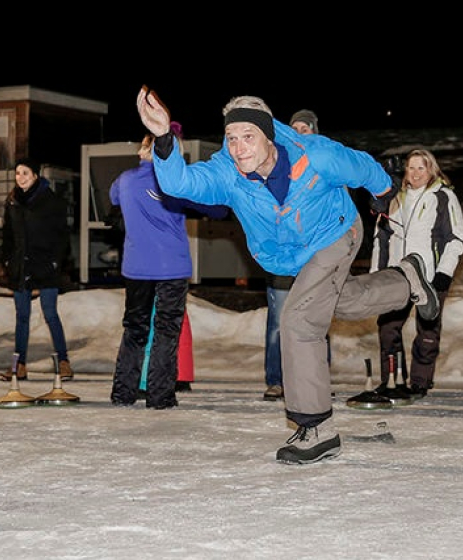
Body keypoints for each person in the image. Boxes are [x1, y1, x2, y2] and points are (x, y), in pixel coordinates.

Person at [137, 88, 438, 464]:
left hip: (337, 233)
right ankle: (407, 281)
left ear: (269, 135)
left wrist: (383, 192)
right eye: (232, 139)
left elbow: (361, 166)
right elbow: (179, 184)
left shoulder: (315, 154)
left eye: (248, 137)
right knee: (340, 301)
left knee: (298, 320)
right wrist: (165, 138)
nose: (239, 148)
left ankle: (317, 426)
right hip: (293, 256)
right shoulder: (227, 172)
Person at [108, 130, 228, 409]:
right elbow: (217, 210)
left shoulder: (123, 181)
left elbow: (114, 198)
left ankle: (123, 393)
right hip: (171, 266)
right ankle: (160, 396)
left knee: (134, 329)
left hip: (136, 267)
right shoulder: (175, 182)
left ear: (143, 151)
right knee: (166, 330)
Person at [371, 149, 463, 399]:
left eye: (421, 168)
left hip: (429, 276)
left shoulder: (444, 197)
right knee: (389, 328)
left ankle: (420, 381)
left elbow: (456, 238)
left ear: (431, 170)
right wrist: (376, 274)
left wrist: (444, 273)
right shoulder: (395, 198)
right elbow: (381, 238)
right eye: (411, 168)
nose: (415, 173)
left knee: (427, 329)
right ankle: (393, 380)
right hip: (397, 275)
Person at [262, 109, 328, 401]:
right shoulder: (275, 163)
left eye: (305, 128)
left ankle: (316, 380)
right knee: (279, 321)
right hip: (283, 257)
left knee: (315, 319)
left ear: (315, 132)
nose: (299, 132)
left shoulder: (325, 164)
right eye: (295, 127)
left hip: (317, 255)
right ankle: (277, 379)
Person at [1, 158, 74, 382]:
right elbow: (8, 235)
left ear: (35, 175)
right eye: (17, 173)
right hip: (21, 266)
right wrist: (7, 260)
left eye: (25, 173)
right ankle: (18, 365)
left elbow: (62, 238)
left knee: (50, 314)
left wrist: (55, 262)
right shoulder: (13, 201)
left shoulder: (51, 201)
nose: (20, 177)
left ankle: (63, 362)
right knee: (22, 316)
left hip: (45, 266)